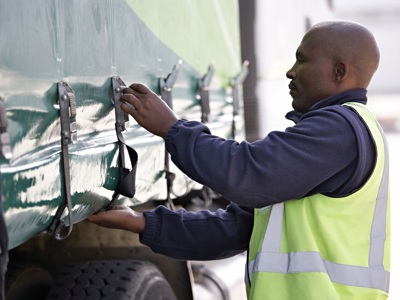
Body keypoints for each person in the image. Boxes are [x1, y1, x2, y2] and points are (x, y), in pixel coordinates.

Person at [88, 20, 391, 299]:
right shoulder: (339, 133)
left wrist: (172, 129)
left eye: (303, 59)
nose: (291, 71)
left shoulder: (341, 131)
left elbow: (245, 173)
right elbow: (236, 228)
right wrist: (142, 223)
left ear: (340, 71)